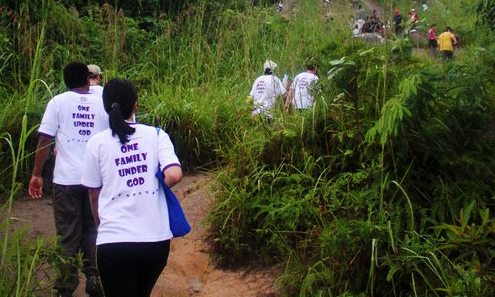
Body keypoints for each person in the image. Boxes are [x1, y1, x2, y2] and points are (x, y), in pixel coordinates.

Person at [81, 79, 183, 297]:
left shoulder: (96, 143)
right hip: (155, 242)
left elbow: (93, 194)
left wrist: (101, 224)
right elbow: (174, 174)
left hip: (114, 241)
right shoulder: (156, 135)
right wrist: (154, 185)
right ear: (136, 104)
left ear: (106, 106)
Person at [28, 62, 107, 297]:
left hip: (66, 180)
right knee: (93, 228)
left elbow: (45, 140)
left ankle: (65, 287)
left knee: (68, 233)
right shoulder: (102, 102)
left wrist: (36, 174)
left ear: (65, 81)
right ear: (88, 78)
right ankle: (93, 278)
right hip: (96, 180)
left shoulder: (58, 102)